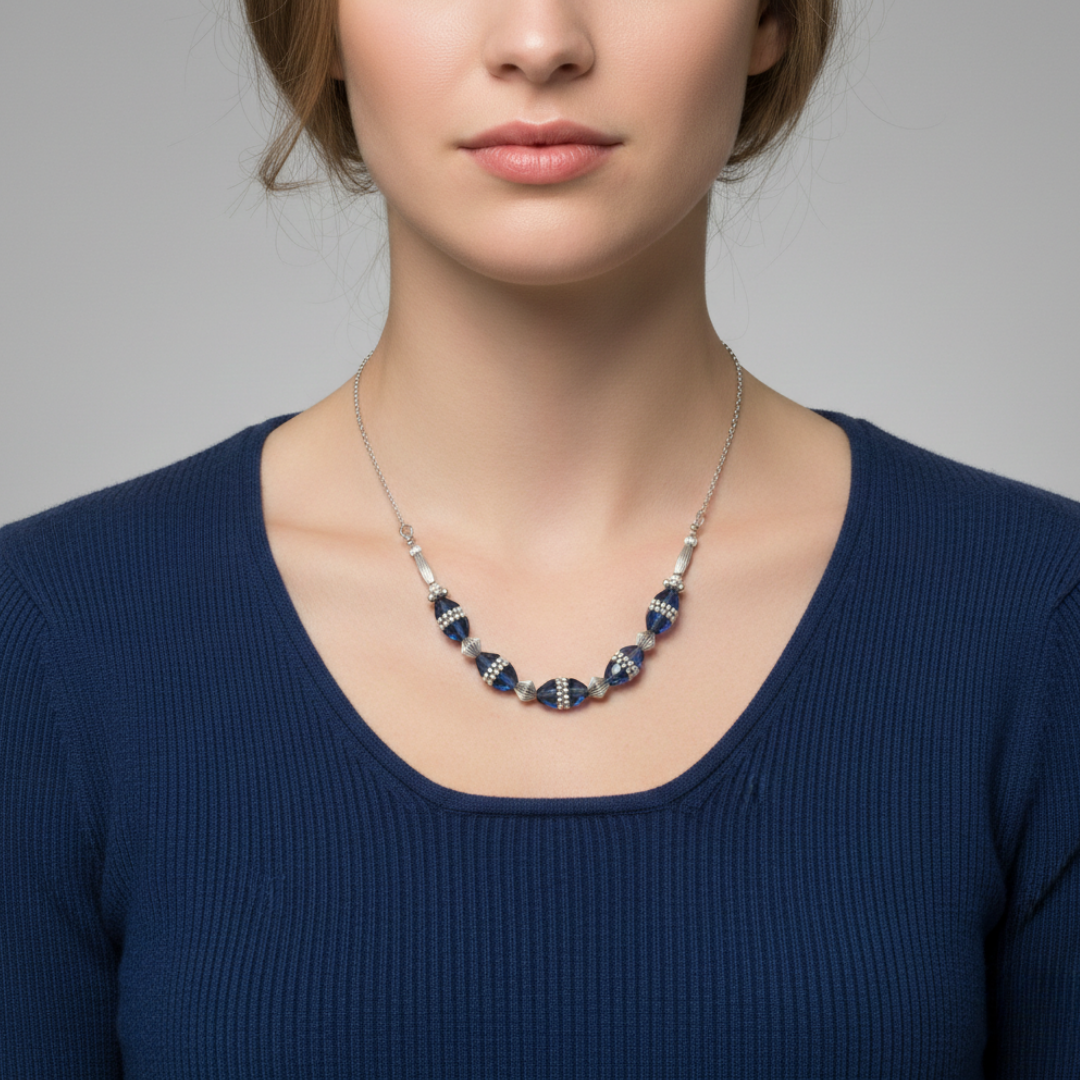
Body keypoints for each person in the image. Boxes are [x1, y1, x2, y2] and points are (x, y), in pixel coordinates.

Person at [1, 0, 1077, 1075]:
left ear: (772, 19)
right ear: (319, 23)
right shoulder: (53, 641)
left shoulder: (1037, 626)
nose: (539, 40)